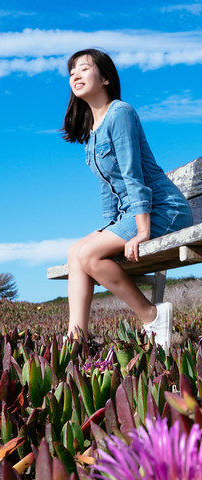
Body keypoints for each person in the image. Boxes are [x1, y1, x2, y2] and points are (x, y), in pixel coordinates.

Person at [62, 48, 193, 350]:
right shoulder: (92, 133)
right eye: (71, 72)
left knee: (90, 255)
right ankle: (76, 339)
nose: (75, 75)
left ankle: (151, 314)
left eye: (83, 68)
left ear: (105, 78)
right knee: (76, 252)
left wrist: (142, 231)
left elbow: (133, 175)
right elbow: (108, 190)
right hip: (131, 216)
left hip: (164, 210)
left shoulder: (120, 113)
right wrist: (109, 230)